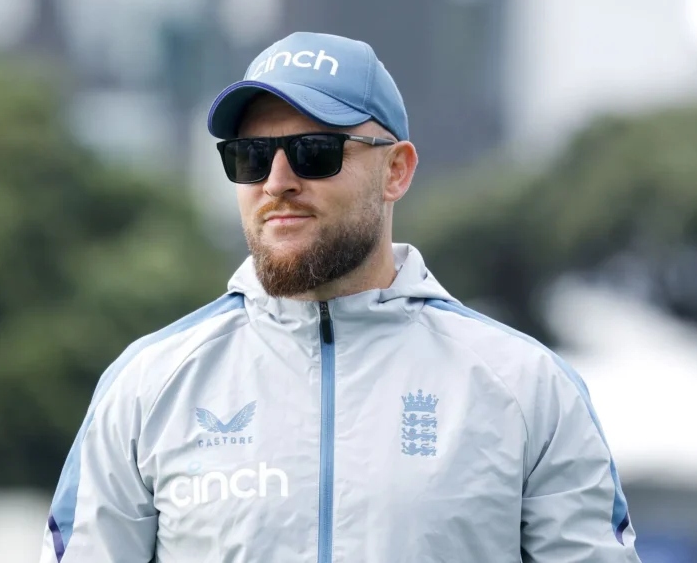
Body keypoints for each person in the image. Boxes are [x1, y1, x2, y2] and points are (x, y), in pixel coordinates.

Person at [40, 31, 642, 563]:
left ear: (396, 171)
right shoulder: (148, 386)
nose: (277, 181)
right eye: (249, 158)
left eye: (314, 152)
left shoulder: (527, 387)